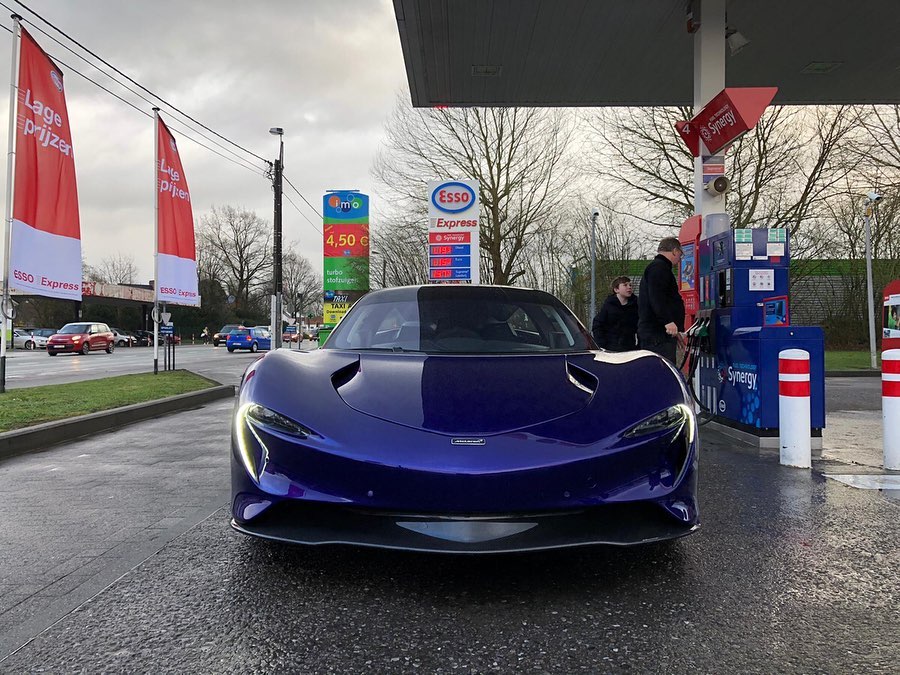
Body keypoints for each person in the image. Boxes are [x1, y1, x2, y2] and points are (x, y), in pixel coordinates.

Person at [638, 237, 685, 363]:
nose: (680, 258)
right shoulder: (659, 268)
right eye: (681, 254)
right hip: (658, 336)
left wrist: (675, 330)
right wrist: (668, 321)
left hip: (660, 333)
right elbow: (657, 297)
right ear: (675, 250)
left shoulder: (657, 268)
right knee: (663, 372)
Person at [591, 276, 638, 351]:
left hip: (630, 348)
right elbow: (598, 324)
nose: (629, 287)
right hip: (610, 348)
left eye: (630, 285)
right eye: (625, 285)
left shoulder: (636, 305)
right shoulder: (608, 305)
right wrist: (601, 344)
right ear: (616, 289)